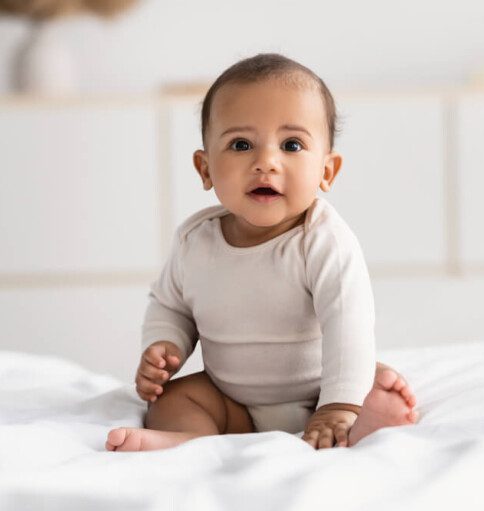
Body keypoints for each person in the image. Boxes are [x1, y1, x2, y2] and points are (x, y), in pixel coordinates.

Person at [105, 53, 418, 452]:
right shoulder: (195, 241)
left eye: (291, 144)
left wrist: (338, 404)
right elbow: (170, 305)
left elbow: (349, 326)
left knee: (375, 397)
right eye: (241, 144)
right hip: (233, 401)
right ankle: (189, 441)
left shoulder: (322, 241)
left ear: (327, 171)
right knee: (171, 400)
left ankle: (350, 417)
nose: (265, 162)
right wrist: (165, 345)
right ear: (205, 169)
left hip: (317, 390)